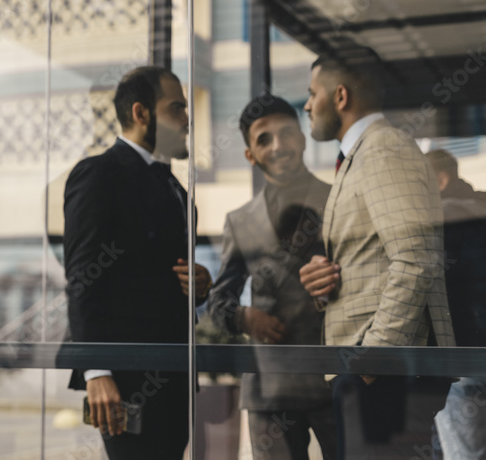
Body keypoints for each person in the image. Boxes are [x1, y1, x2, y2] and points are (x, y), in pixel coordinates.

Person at [298, 48, 454, 459]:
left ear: (341, 96)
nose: (308, 104)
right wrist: (325, 279)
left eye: (313, 93)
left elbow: (417, 259)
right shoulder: (362, 155)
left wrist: (373, 360)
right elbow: (376, 257)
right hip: (372, 367)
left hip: (384, 370)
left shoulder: (383, 150)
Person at [62, 66, 211, 460]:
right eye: (176, 108)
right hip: (126, 381)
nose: (187, 118)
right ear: (141, 113)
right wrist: (97, 371)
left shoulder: (177, 190)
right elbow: (81, 279)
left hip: (177, 375)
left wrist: (200, 283)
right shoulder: (98, 175)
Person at [207, 94, 336, 460]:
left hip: (336, 380)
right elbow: (219, 301)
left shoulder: (340, 200)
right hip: (269, 386)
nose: (278, 146)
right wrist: (244, 317)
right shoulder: (240, 220)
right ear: (250, 155)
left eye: (286, 133)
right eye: (264, 139)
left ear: (302, 137)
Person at [425, 149, 486, 460]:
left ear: (441, 180)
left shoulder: (443, 221)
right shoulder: (481, 206)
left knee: (465, 454)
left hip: (462, 358)